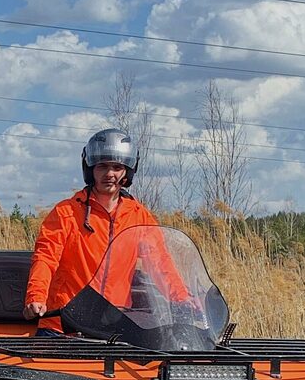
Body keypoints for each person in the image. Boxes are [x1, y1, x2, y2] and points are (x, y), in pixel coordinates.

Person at [22, 128, 186, 330]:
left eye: (117, 167)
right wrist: (36, 296)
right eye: (102, 166)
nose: (109, 174)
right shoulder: (67, 212)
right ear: (90, 168)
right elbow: (46, 257)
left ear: (127, 171)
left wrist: (182, 299)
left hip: (113, 325)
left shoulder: (139, 216)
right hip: (63, 323)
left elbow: (160, 262)